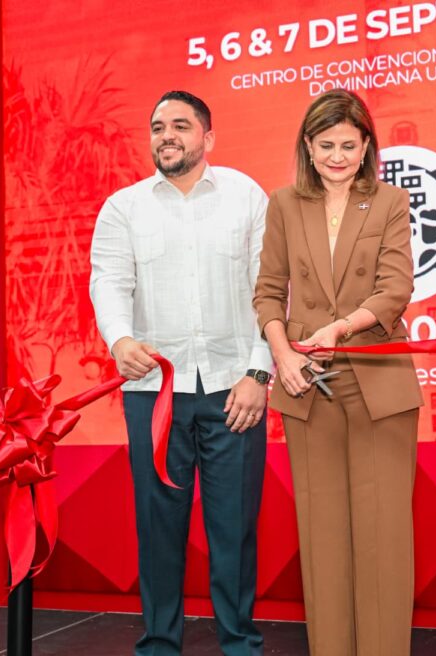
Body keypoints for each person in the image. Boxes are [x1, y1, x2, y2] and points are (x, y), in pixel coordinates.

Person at [90, 90, 272, 656]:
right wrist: (119, 339)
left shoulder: (246, 196)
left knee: (233, 530)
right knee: (159, 526)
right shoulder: (124, 207)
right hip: (154, 393)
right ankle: (159, 645)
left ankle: (239, 643)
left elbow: (272, 288)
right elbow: (109, 282)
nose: (167, 135)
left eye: (181, 125)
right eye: (157, 126)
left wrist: (259, 372)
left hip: (234, 390)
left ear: (207, 138)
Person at [253, 89, 423, 656]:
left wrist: (341, 328)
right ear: (307, 145)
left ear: (367, 145)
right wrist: (283, 354)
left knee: (382, 541)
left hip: (377, 380)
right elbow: (269, 294)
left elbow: (395, 289)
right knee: (323, 543)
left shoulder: (391, 201)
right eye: (326, 145)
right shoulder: (283, 204)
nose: (337, 156)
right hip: (306, 385)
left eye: (349, 145)